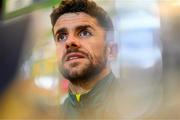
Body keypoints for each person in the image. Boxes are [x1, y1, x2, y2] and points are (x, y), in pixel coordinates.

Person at [50, 0, 149, 119]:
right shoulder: (51, 116)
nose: (69, 42)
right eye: (61, 36)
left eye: (84, 33)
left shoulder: (142, 107)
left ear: (111, 50)